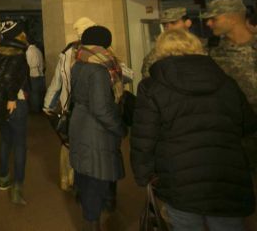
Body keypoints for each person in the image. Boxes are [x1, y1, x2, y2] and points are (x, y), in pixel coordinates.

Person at [131, 29, 256, 231]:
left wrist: (143, 175)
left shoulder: (152, 87)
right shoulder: (226, 82)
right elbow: (248, 124)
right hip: (225, 174)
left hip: (179, 178)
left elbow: (144, 138)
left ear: (160, 50)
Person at [68, 26, 125, 231]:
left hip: (80, 124)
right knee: (95, 180)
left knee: (87, 176)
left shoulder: (80, 62)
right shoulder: (99, 69)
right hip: (95, 130)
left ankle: (92, 216)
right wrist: (120, 128)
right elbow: (101, 109)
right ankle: (92, 224)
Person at [43, 16, 96, 192]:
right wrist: (48, 105)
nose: (80, 36)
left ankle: (85, 181)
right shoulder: (67, 53)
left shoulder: (101, 53)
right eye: (79, 32)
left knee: (89, 146)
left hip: (93, 110)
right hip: (70, 108)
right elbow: (57, 81)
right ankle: (72, 179)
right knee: (69, 145)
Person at [204, 0, 257, 170]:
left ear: (233, 19)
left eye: (214, 19)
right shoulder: (211, 52)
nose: (209, 23)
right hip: (232, 137)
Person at [0, 20, 31, 205]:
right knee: (20, 145)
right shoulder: (18, 54)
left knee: (6, 141)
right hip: (15, 103)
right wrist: (12, 97)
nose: (25, 35)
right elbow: (7, 77)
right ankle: (17, 188)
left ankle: (3, 179)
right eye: (23, 32)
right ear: (18, 35)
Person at [140, 7, 197, 79]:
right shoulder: (158, 53)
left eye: (173, 23)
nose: (168, 28)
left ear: (188, 23)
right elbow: (148, 78)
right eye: (165, 25)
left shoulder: (201, 47)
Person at [26, 41, 45, 113]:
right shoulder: (38, 50)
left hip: (32, 74)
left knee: (34, 93)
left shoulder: (29, 51)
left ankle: (35, 109)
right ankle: (41, 107)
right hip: (41, 73)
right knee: (40, 92)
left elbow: (28, 64)